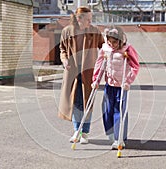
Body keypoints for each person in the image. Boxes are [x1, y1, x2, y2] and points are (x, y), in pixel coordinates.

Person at [58, 6, 104, 144]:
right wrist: (64, 59)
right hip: (72, 72)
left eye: (91, 19)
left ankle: (85, 133)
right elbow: (62, 49)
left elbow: (104, 47)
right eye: (88, 19)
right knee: (76, 103)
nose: (90, 22)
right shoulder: (67, 31)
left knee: (87, 103)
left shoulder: (94, 31)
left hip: (89, 72)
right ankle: (77, 131)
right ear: (79, 19)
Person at [91, 26, 140, 149]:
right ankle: (111, 134)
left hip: (122, 86)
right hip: (109, 84)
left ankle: (119, 138)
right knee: (107, 110)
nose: (112, 44)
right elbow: (99, 64)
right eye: (109, 41)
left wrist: (128, 81)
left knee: (119, 110)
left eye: (115, 42)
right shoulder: (105, 49)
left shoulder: (127, 49)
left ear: (120, 40)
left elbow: (135, 66)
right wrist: (95, 79)